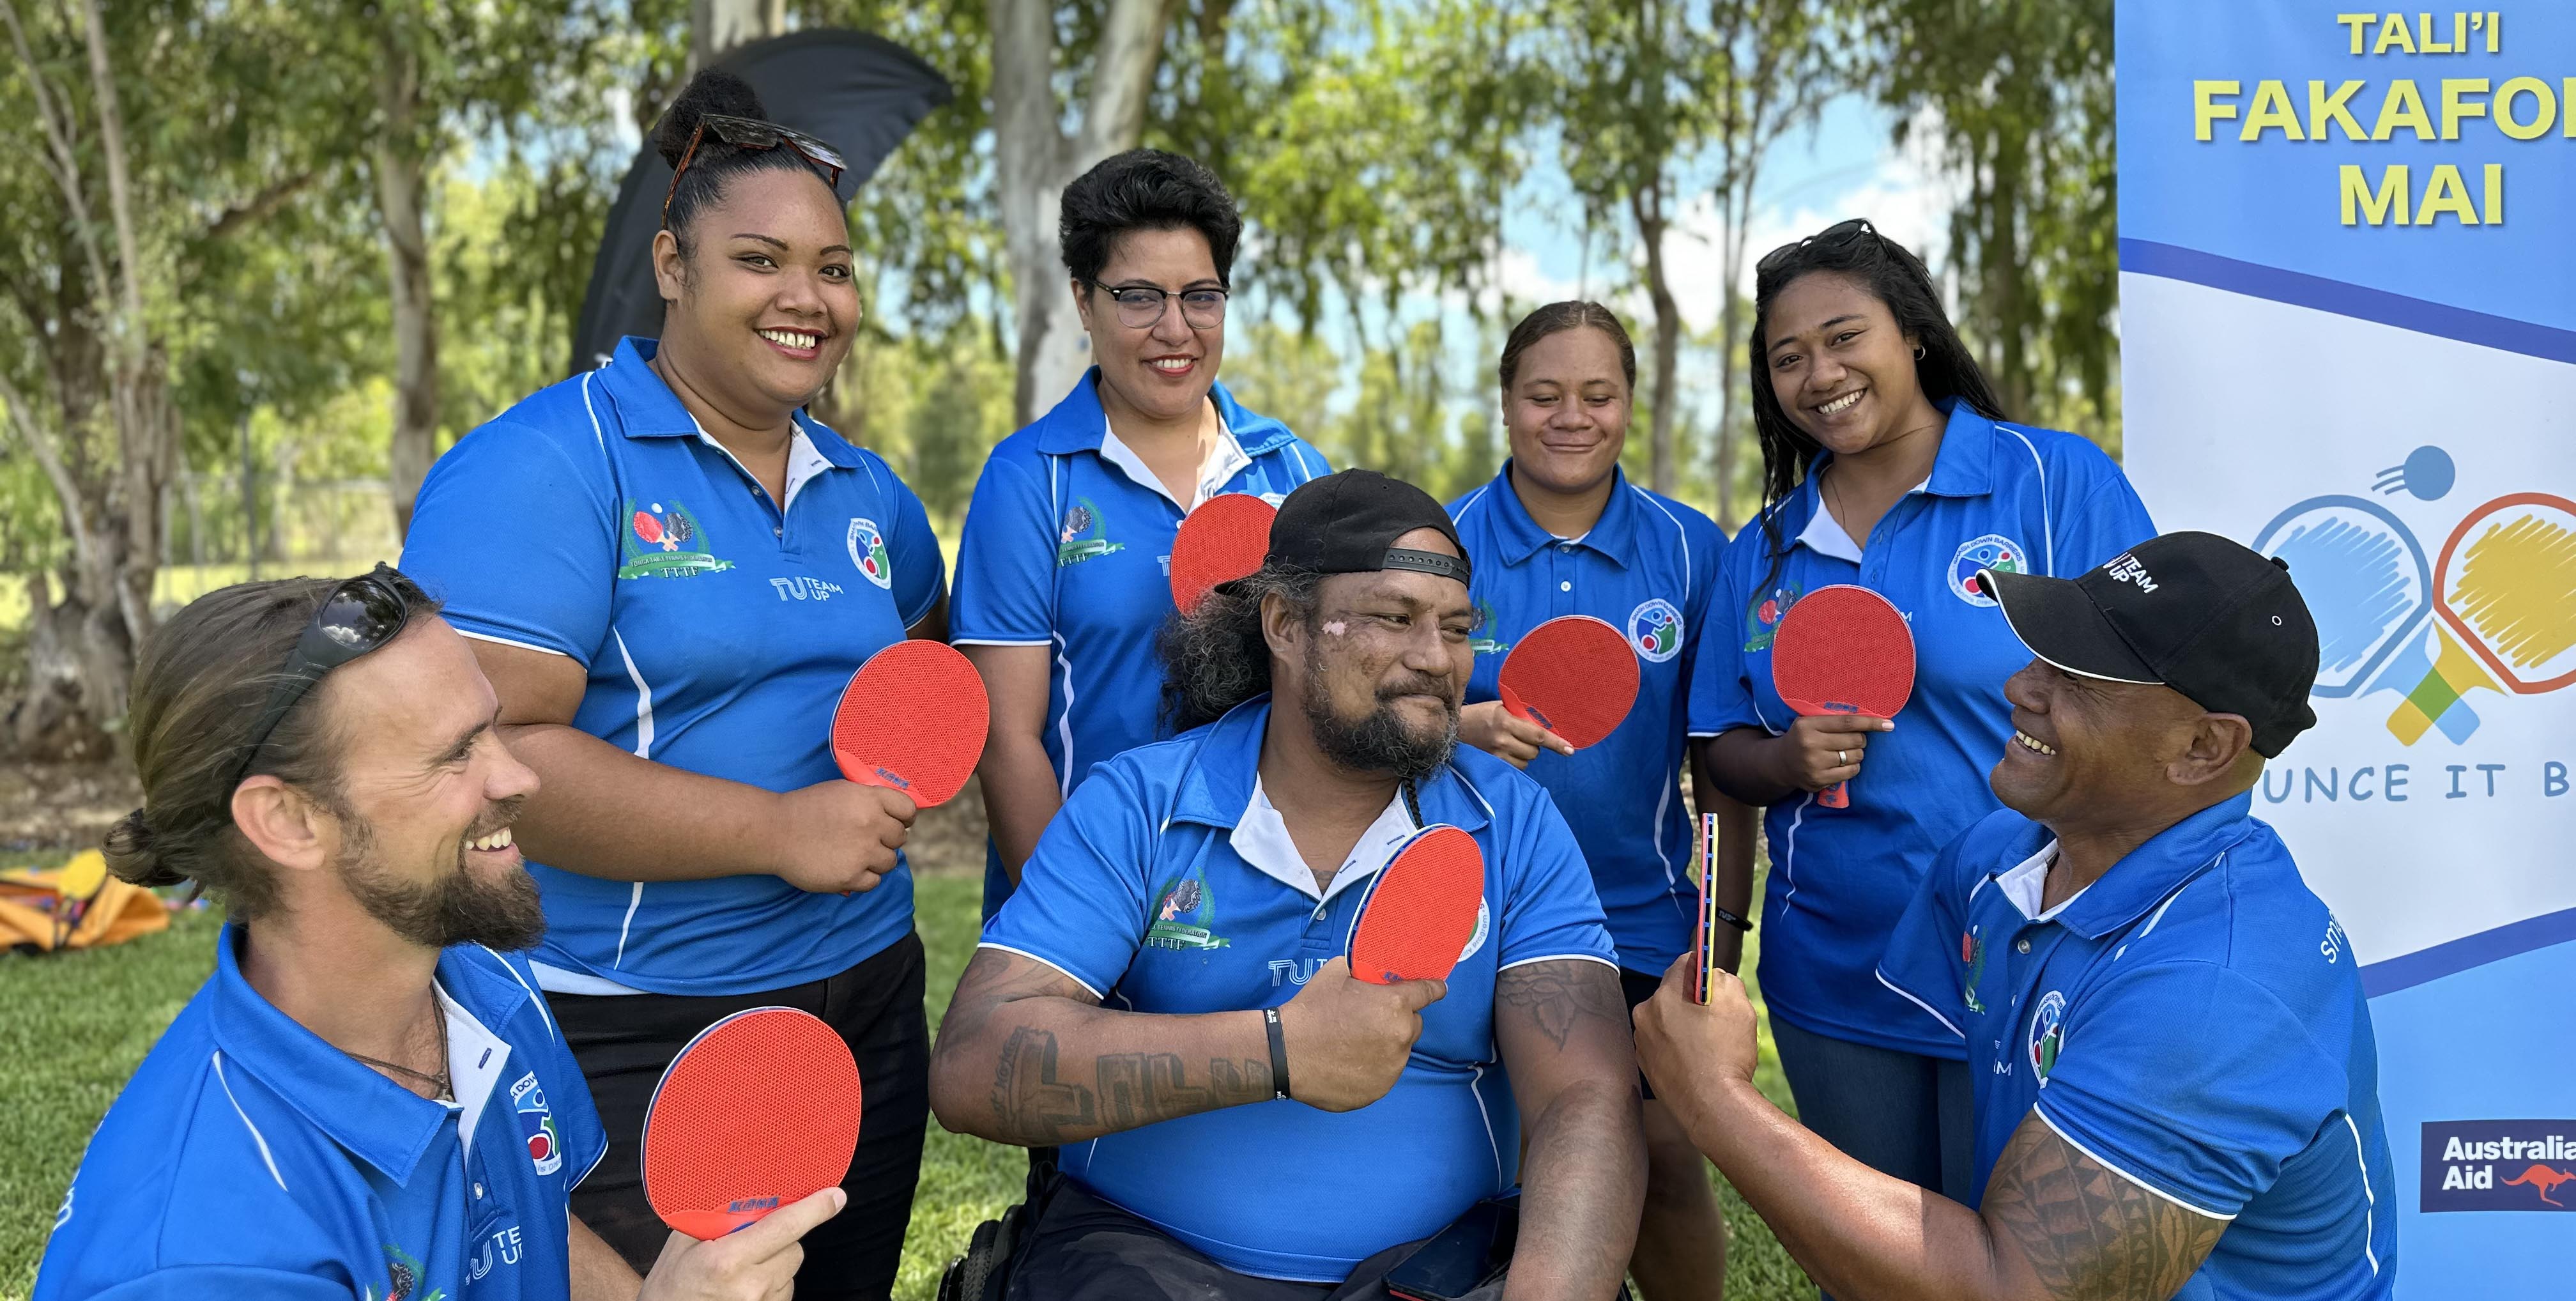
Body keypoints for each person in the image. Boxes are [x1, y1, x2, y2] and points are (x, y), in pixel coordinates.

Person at [397, 70, 942, 1295]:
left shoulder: (870, 495)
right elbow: (483, 769)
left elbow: (924, 658)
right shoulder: (543, 466)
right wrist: (776, 828)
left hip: (867, 996)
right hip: (637, 1023)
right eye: (761, 259)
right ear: (673, 264)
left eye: (837, 268)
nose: (808, 297)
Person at [929, 470, 1644, 1300]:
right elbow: (976, 1061)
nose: (1437, 659)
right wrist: (1275, 1051)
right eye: (1394, 617)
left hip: (1432, 1270)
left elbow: (1585, 1098)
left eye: (1456, 628)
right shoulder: (1139, 804)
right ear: (1286, 625)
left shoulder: (1512, 822)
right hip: (1137, 1263)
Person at [33, 571, 839, 1301]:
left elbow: (528, 1221)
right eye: (455, 754)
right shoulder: (206, 1256)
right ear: (286, 820)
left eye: (490, 729)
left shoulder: (486, 982)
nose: (519, 776)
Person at [1638, 532, 2398, 1300]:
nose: (2019, 686)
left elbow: (2012, 1287)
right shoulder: (1997, 857)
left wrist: (1713, 1099)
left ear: (2203, 746)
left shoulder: (2217, 993)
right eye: (2041, 654)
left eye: (2075, 676)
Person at [1689, 219, 2156, 1210]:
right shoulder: (1763, 550)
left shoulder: (2052, 484)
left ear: (1914, 336)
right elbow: (1719, 756)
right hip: (1834, 970)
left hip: (2033, 955)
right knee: (1869, 1264)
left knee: (2021, 1262)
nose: (1820, 372)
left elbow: (2145, 696)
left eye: (1844, 336)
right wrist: (1784, 764)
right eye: (1789, 357)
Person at [1447, 301, 1754, 1301]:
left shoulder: (1692, 550)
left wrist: (1720, 934)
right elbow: (1366, 722)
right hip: (1470, 914)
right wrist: (1463, 725)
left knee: (1663, 1158)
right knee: (1493, 1161)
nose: (1570, 416)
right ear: (1504, 404)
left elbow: (1722, 763)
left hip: (1636, 916)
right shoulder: (1440, 542)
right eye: (1543, 394)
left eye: (1598, 395)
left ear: (1630, 403)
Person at [950, 148, 1331, 921]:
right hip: (1085, 896)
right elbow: (1008, 741)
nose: (1175, 328)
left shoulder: (1291, 468)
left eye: (1201, 296)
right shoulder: (1028, 479)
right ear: (1084, 302)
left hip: (1259, 909)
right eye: (1138, 297)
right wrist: (1083, 923)